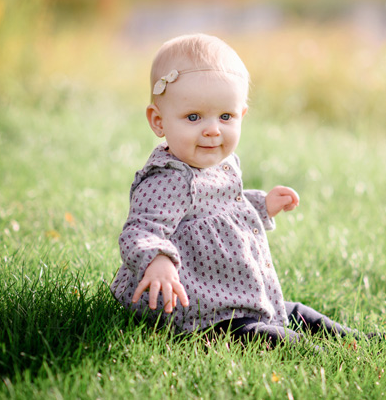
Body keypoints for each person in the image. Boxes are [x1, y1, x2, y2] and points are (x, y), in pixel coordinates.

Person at [109, 33, 358, 345]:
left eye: (225, 117)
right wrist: (158, 261)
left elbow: (223, 212)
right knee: (272, 337)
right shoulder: (167, 178)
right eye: (193, 117)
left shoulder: (223, 163)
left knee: (298, 313)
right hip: (198, 310)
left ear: (241, 116)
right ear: (158, 121)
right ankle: (329, 356)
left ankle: (365, 342)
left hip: (232, 293)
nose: (213, 129)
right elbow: (140, 231)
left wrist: (262, 205)